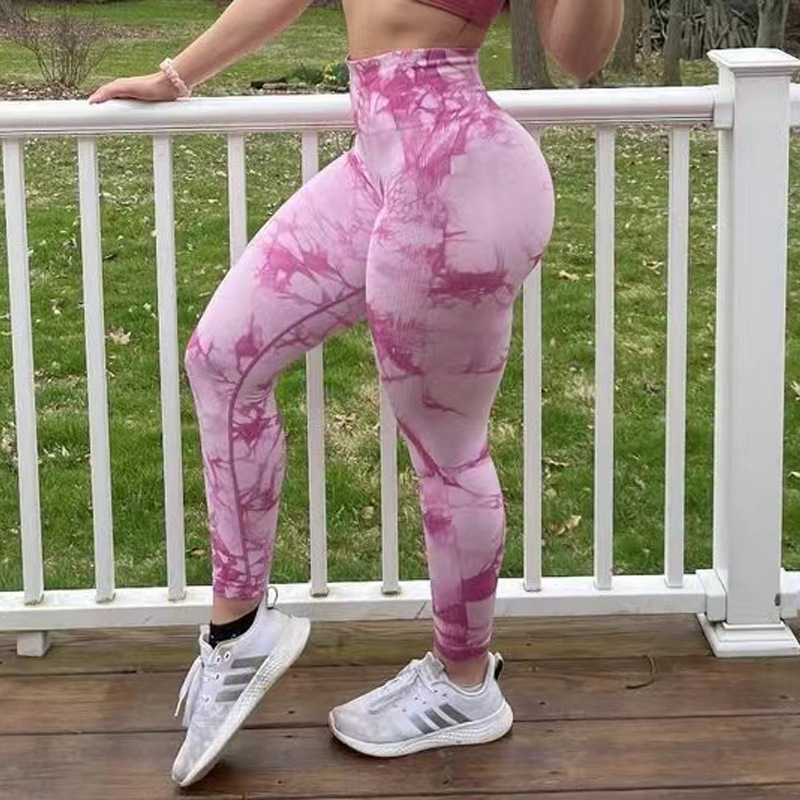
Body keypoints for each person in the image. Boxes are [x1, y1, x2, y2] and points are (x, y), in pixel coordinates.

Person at [89, 0, 622, 787]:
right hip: (378, 161)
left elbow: (578, 56)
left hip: (456, 176)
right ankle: (239, 630)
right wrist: (176, 76)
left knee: (446, 449)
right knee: (221, 359)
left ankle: (464, 682)